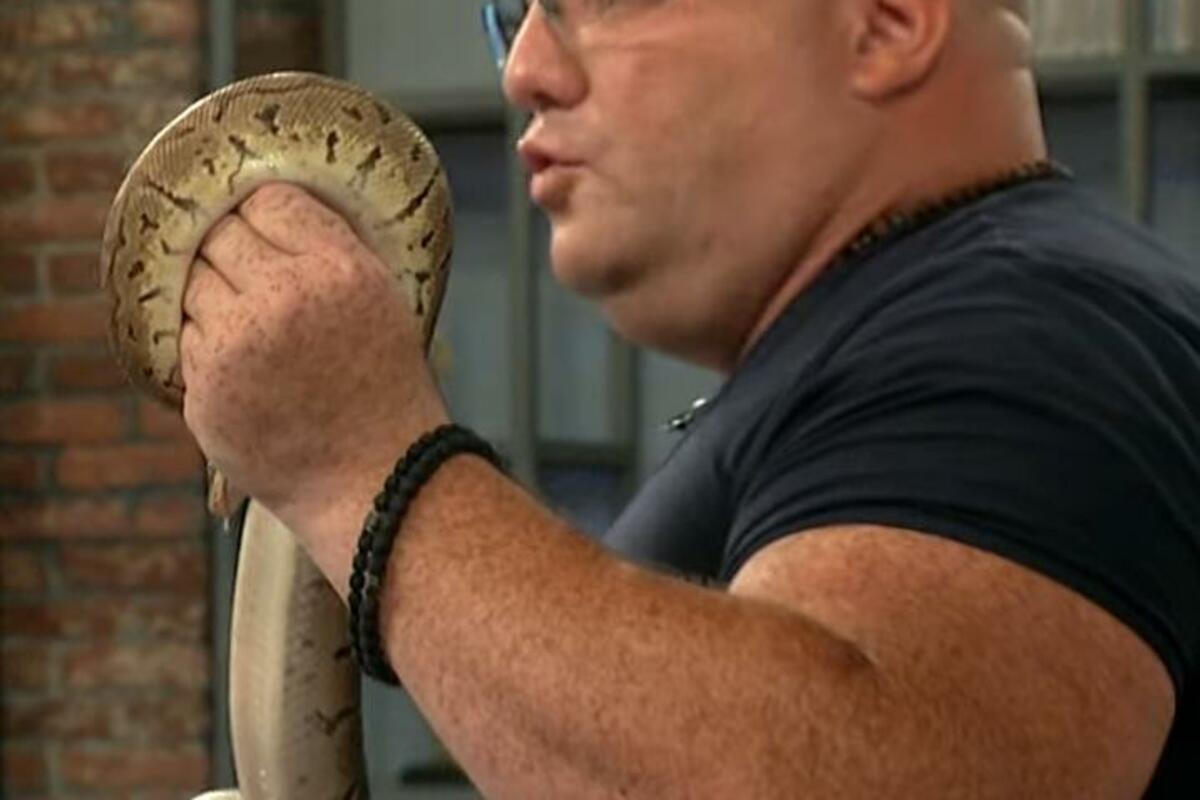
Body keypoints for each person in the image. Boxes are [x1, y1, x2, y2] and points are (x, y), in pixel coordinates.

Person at [180, 0, 1200, 796]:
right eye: (511, 14)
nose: (525, 69)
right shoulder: (924, 334)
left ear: (887, 22)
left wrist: (363, 461)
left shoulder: (1030, 325)